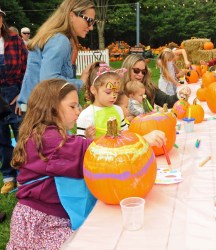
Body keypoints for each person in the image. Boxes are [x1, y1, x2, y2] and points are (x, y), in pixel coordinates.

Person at [6, 79, 166, 249]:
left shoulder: (47, 134)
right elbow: (94, 152)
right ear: (51, 108)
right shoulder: (48, 139)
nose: (78, 111)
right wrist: (141, 141)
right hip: (41, 223)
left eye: (78, 106)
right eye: (72, 106)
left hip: (52, 214)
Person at [17, 0, 95, 115]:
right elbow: (50, 82)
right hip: (44, 113)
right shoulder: (60, 40)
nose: (91, 27)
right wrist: (81, 82)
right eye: (89, 20)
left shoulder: (52, 37)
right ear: (72, 15)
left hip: (33, 109)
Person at [0, 8, 28, 194]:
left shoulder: (15, 40)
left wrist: (22, 93)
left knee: (22, 136)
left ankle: (25, 177)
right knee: (1, 138)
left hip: (15, 92)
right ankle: (9, 178)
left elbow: (28, 69)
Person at [77, 62, 128, 138]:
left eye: (116, 92)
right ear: (93, 90)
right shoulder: (86, 115)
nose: (113, 96)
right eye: (108, 92)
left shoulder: (118, 110)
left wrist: (123, 134)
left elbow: (126, 132)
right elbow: (80, 143)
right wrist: (87, 137)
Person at [120, 54, 191, 109]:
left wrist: (180, 94)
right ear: (127, 69)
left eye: (143, 71)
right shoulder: (118, 92)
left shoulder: (149, 88)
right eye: (136, 71)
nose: (140, 74)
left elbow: (167, 101)